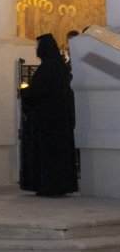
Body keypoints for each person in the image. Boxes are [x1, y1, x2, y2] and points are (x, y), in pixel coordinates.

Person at [20, 33, 77, 197]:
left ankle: (50, 186)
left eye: (38, 46)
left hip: (48, 122)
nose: (36, 49)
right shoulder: (59, 66)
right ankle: (58, 185)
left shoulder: (48, 68)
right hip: (57, 120)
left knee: (48, 155)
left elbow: (38, 91)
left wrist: (24, 92)